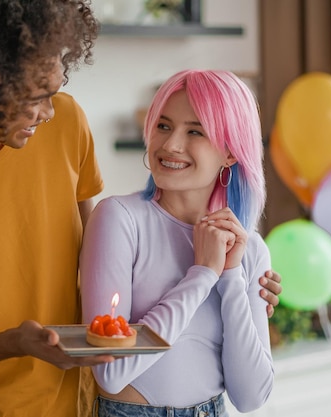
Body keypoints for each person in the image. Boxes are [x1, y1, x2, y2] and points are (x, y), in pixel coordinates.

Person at [0, 2, 282, 416]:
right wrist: (13, 343)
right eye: (36, 96)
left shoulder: (66, 125)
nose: (49, 112)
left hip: (86, 405)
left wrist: (238, 292)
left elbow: (96, 264)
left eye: (54, 91)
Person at [80, 69, 275, 417]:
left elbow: (251, 397)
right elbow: (110, 372)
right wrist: (201, 275)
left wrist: (230, 277)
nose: (170, 145)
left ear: (230, 152)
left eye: (195, 131)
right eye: (164, 126)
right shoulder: (119, 220)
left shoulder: (249, 249)